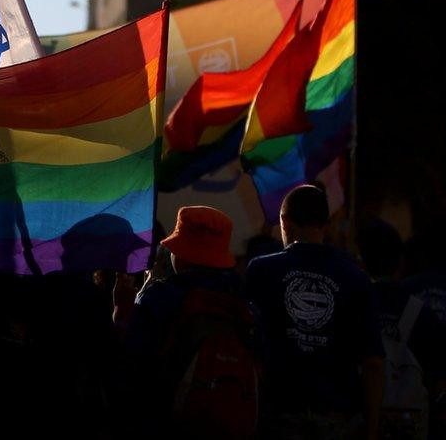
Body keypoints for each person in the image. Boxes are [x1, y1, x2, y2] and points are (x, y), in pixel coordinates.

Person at [245, 185, 385, 440]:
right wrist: (372, 430)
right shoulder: (356, 279)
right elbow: (373, 364)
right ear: (326, 224)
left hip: (277, 415)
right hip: (339, 418)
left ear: (285, 223)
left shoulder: (261, 271)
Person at [121, 205, 256, 438]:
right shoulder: (243, 303)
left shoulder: (160, 297)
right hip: (231, 422)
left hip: (167, 422)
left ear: (180, 256)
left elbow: (131, 359)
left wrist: (129, 304)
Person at [359, 219, 446, 439]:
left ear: (362, 262)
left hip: (361, 418)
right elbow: (437, 380)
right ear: (400, 262)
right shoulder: (420, 311)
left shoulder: (353, 306)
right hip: (409, 424)